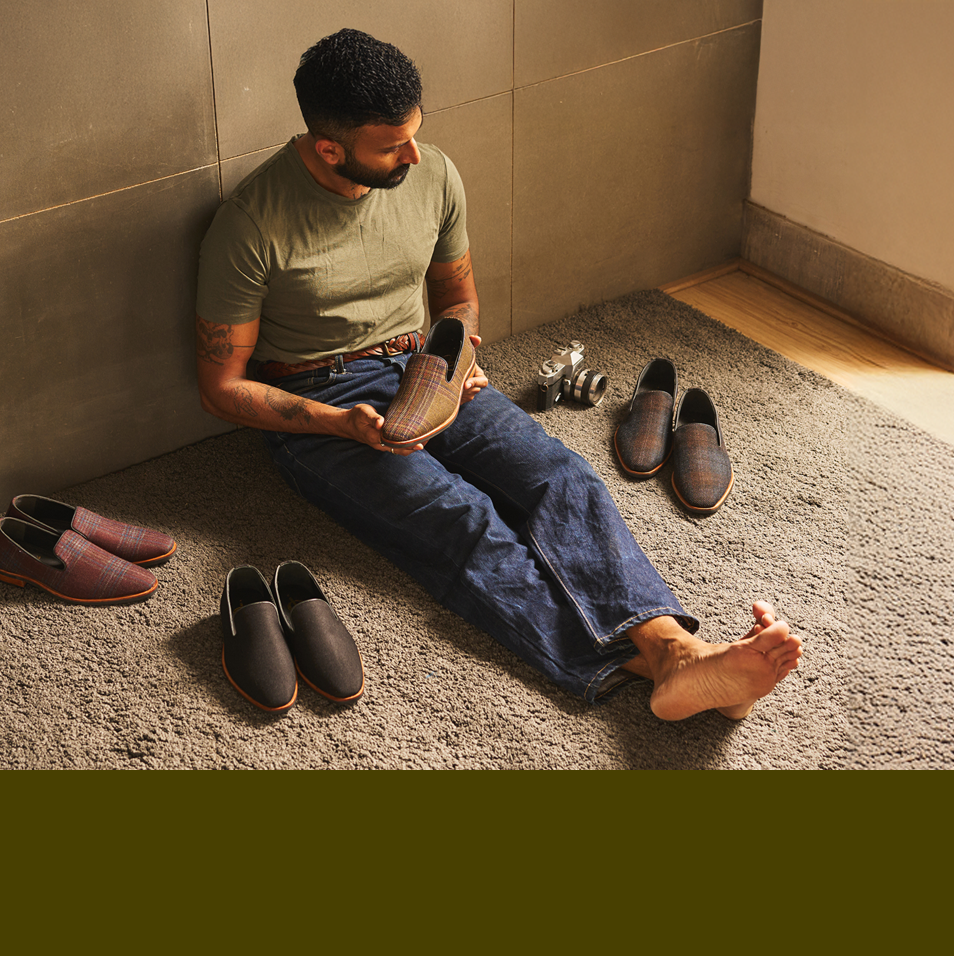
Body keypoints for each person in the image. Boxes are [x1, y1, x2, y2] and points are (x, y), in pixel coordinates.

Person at [193, 29, 802, 721]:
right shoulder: (249, 225)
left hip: (425, 368)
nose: (415, 155)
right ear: (331, 148)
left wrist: (459, 360)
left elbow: (457, 298)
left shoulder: (431, 176)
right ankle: (667, 661)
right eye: (392, 145)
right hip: (317, 400)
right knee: (464, 519)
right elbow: (222, 387)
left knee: (560, 476)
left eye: (415, 135)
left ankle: (675, 653)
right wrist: (339, 423)